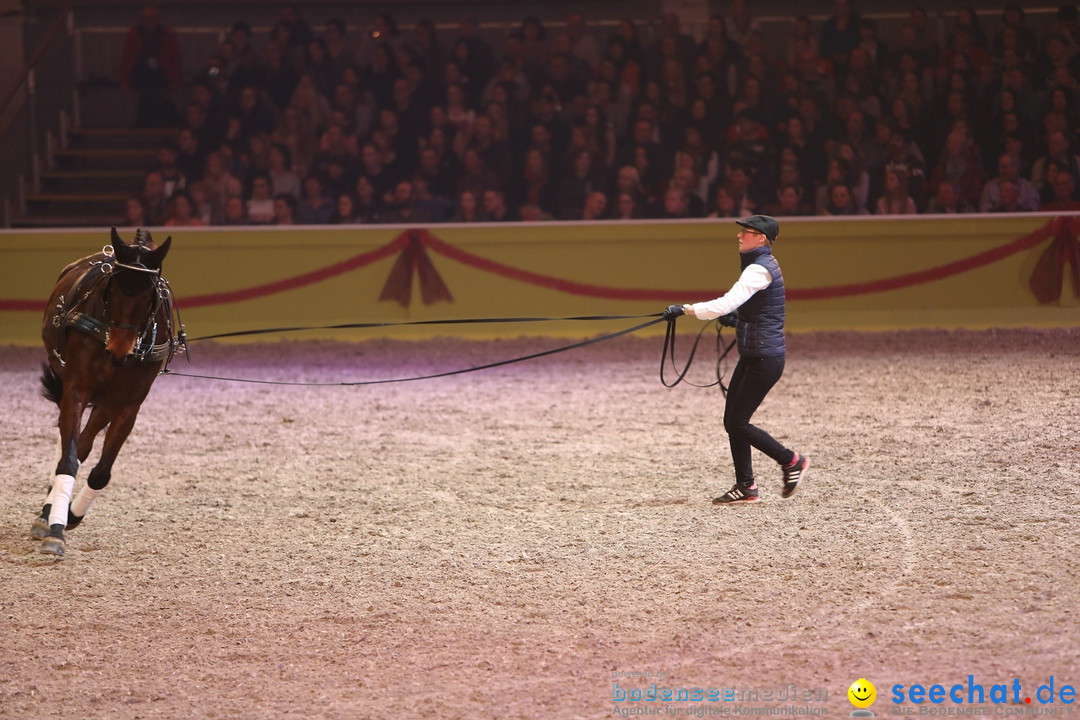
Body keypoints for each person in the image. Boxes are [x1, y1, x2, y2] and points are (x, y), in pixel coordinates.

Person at [663, 215, 809, 504]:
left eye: (747, 232)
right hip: (755, 354)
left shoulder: (759, 270)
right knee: (733, 421)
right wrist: (738, 319)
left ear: (762, 239)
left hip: (764, 358)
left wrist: (685, 309)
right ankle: (746, 486)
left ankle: (791, 460)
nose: (740, 236)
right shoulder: (760, 266)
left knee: (738, 422)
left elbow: (726, 302)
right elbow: (755, 306)